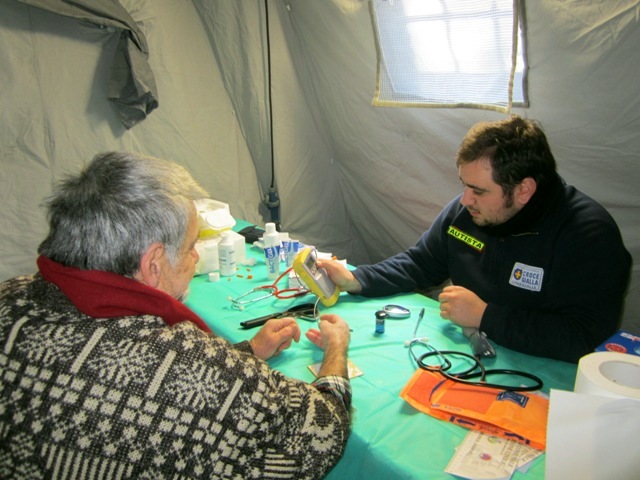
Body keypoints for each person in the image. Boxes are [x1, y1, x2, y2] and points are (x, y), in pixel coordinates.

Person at [0, 151, 352, 479]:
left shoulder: (10, 294)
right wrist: (335, 352)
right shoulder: (189, 367)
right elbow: (320, 434)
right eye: (190, 247)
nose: (195, 257)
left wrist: (248, 353)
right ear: (153, 264)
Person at [319, 115, 631, 364]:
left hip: (548, 379)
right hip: (471, 355)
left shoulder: (588, 235)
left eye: (479, 191)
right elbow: (421, 262)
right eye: (465, 185)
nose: (465, 200)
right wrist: (358, 279)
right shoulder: (466, 213)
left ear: (524, 190)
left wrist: (485, 316)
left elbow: (583, 336)